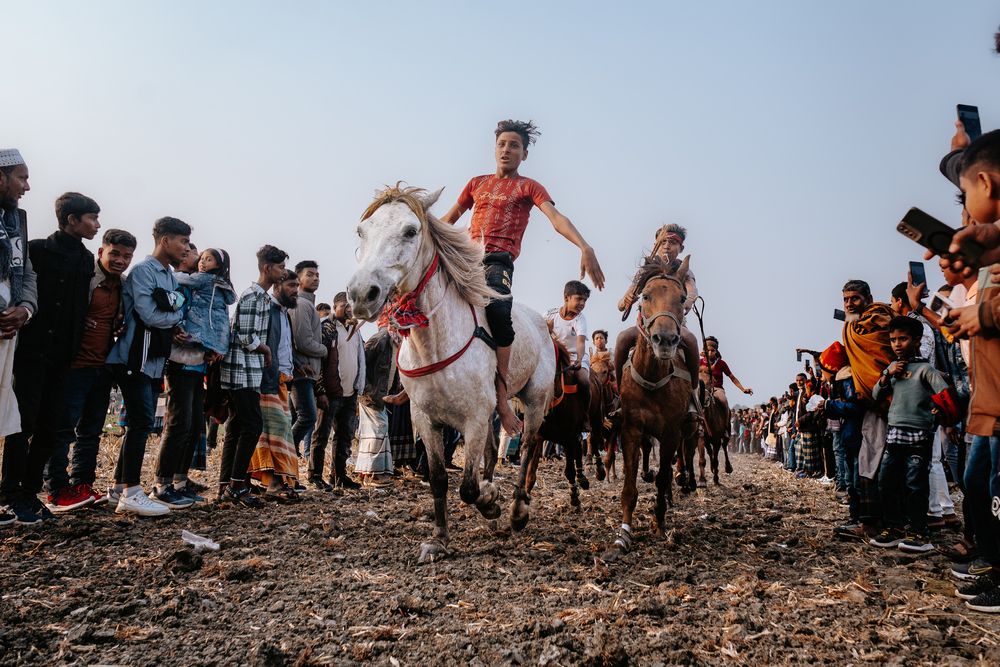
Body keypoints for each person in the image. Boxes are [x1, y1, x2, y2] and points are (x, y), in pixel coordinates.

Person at [440, 119, 605, 435]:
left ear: (524, 154)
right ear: (495, 149)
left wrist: (585, 245)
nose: (506, 149)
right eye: (502, 144)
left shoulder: (529, 187)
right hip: (465, 260)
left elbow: (556, 219)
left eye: (514, 145)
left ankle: (502, 394)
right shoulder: (476, 183)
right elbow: (447, 220)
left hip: (497, 264)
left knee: (500, 312)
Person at [2, 192, 97, 524]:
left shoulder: (86, 260)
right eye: (91, 218)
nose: (96, 225)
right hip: (32, 351)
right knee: (22, 423)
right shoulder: (38, 249)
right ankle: (10, 494)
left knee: (51, 426)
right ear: (71, 219)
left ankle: (29, 493)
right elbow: (22, 290)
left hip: (64, 356)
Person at [105, 217, 191, 516]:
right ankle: (131, 491)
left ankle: (117, 488)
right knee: (140, 423)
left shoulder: (168, 276)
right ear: (165, 240)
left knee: (140, 423)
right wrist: (176, 318)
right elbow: (149, 315)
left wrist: (172, 314)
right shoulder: (143, 272)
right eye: (182, 241)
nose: (186, 248)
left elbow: (171, 305)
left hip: (154, 361)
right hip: (134, 358)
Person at [44, 229, 136, 512]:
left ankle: (82, 485)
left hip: (103, 366)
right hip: (75, 365)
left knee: (91, 431)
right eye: (115, 254)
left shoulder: (122, 286)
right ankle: (56, 489)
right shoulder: (85, 279)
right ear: (101, 252)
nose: (120, 260)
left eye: (127, 256)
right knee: (63, 429)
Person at [154, 247, 236, 507]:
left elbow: (218, 321)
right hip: (180, 363)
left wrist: (214, 347)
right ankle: (161, 484)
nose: (200, 262)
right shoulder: (185, 287)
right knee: (179, 424)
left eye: (206, 258)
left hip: (199, 364)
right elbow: (177, 311)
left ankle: (179, 481)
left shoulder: (214, 292)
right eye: (199, 258)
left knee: (191, 427)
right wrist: (179, 329)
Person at [868, 316, 949, 554]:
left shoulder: (925, 369)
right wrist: (888, 374)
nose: (897, 344)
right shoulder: (893, 369)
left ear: (916, 340)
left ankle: (918, 532)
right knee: (887, 482)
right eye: (893, 340)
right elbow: (876, 394)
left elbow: (944, 395)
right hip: (894, 435)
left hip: (919, 436)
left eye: (902, 339)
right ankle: (893, 528)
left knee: (915, 484)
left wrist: (936, 412)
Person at [219, 244, 288, 507]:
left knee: (237, 427)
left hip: (249, 371)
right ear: (266, 268)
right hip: (241, 371)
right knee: (251, 426)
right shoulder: (253, 297)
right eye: (280, 267)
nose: (282, 272)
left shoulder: (262, 298)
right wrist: (266, 349)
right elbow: (246, 336)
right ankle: (236, 485)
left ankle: (228, 485)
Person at [615, 224, 702, 425]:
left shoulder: (682, 269)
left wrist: (687, 301)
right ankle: (620, 397)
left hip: (673, 325)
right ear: (656, 244)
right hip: (645, 328)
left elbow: (692, 290)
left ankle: (692, 397)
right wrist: (626, 298)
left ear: (680, 247)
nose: (667, 246)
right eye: (663, 241)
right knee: (621, 340)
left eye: (672, 242)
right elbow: (621, 306)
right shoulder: (645, 269)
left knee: (691, 341)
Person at [248, 269, 301, 501]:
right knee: (275, 431)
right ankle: (275, 484)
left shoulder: (284, 313)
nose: (295, 290)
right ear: (277, 286)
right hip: (267, 379)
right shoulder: (266, 309)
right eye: (291, 285)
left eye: (296, 286)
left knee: (275, 433)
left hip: (282, 380)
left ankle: (273, 482)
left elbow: (285, 347)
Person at [311, 292, 365, 490]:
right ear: (335, 307)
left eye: (351, 304)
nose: (349, 308)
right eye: (344, 304)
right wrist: (320, 390)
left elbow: (359, 358)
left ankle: (339, 475)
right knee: (321, 435)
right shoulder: (327, 328)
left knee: (344, 436)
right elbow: (319, 361)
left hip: (350, 393)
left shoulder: (355, 329)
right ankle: (315, 475)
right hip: (331, 393)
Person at [288, 260, 327, 460]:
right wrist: (325, 350)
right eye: (310, 274)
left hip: (307, 371)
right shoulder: (301, 304)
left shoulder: (307, 304)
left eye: (317, 275)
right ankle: (285, 455)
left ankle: (287, 468)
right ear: (299, 278)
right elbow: (303, 342)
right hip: (302, 371)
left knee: (297, 418)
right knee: (307, 417)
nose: (315, 278)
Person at [546, 280, 592, 426]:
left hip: (576, 358)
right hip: (555, 358)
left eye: (585, 300)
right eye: (579, 299)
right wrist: (546, 329)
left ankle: (585, 415)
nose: (582, 303)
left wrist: (579, 359)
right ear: (566, 298)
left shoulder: (580, 319)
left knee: (583, 380)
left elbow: (580, 342)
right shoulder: (549, 315)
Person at [355, 325, 394, 485]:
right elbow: (361, 365)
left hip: (381, 397)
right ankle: (373, 474)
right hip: (371, 396)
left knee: (377, 432)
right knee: (378, 431)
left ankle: (369, 472)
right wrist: (369, 392)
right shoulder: (379, 340)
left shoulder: (393, 341)